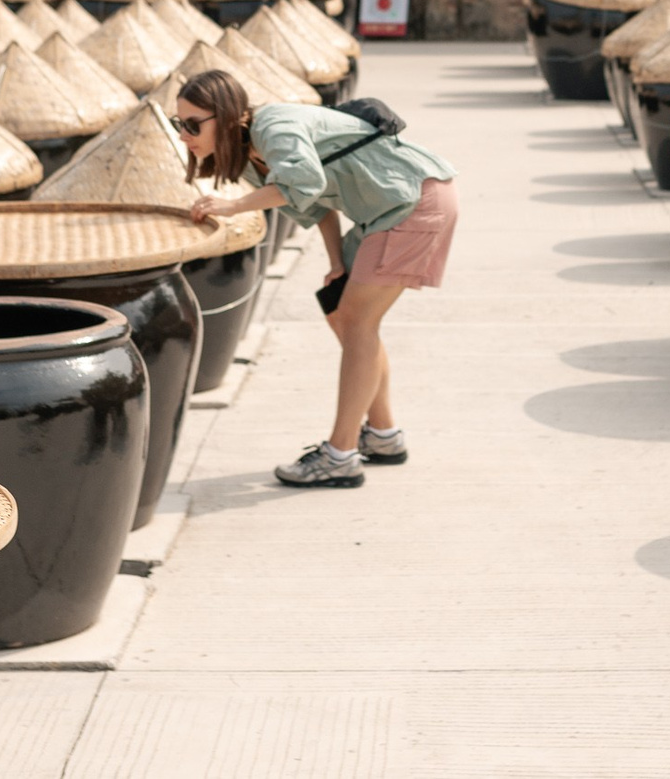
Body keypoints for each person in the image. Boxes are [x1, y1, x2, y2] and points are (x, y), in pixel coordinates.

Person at [174, 68, 458, 488]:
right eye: (178, 123)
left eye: (192, 124)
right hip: (381, 211)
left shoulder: (274, 127)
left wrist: (234, 207)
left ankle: (340, 455)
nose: (185, 134)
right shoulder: (250, 160)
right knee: (339, 312)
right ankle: (383, 435)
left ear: (227, 114)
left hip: (413, 200)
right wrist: (336, 264)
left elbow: (303, 181)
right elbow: (316, 206)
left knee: (360, 322)